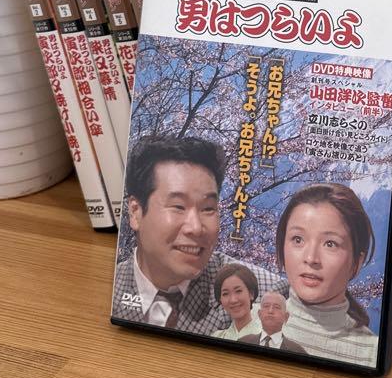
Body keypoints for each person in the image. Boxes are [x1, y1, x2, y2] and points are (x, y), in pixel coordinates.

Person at [112, 135, 281, 335]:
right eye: (178, 206)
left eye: (208, 208)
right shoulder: (112, 289)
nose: (196, 227)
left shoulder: (266, 292)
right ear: (135, 212)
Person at [275, 182, 378, 365]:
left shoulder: (371, 352)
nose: (311, 258)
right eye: (297, 239)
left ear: (356, 262)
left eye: (330, 244)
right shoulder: (247, 320)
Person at [241, 291, 309, 354]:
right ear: (259, 314)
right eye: (266, 306)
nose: (270, 311)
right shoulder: (243, 342)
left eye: (276, 307)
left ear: (286, 317)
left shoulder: (297, 351)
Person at [211, 265, 261, 342]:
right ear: (220, 299)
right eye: (225, 294)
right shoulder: (217, 337)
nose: (233, 300)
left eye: (238, 291)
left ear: (251, 293)